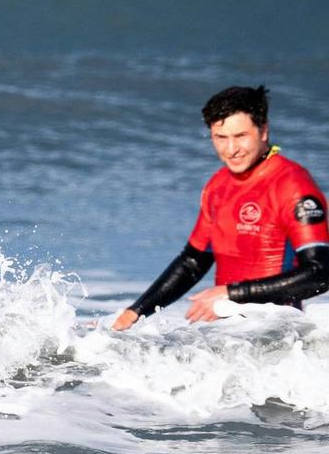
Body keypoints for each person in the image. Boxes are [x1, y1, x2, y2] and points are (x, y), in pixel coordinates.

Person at [113, 85, 329, 330]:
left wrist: (232, 293)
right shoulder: (218, 186)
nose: (231, 149)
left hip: (276, 335)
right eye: (221, 138)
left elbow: (320, 273)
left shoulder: (294, 186)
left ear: (264, 131)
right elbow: (193, 262)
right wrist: (134, 313)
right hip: (227, 332)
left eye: (240, 136)